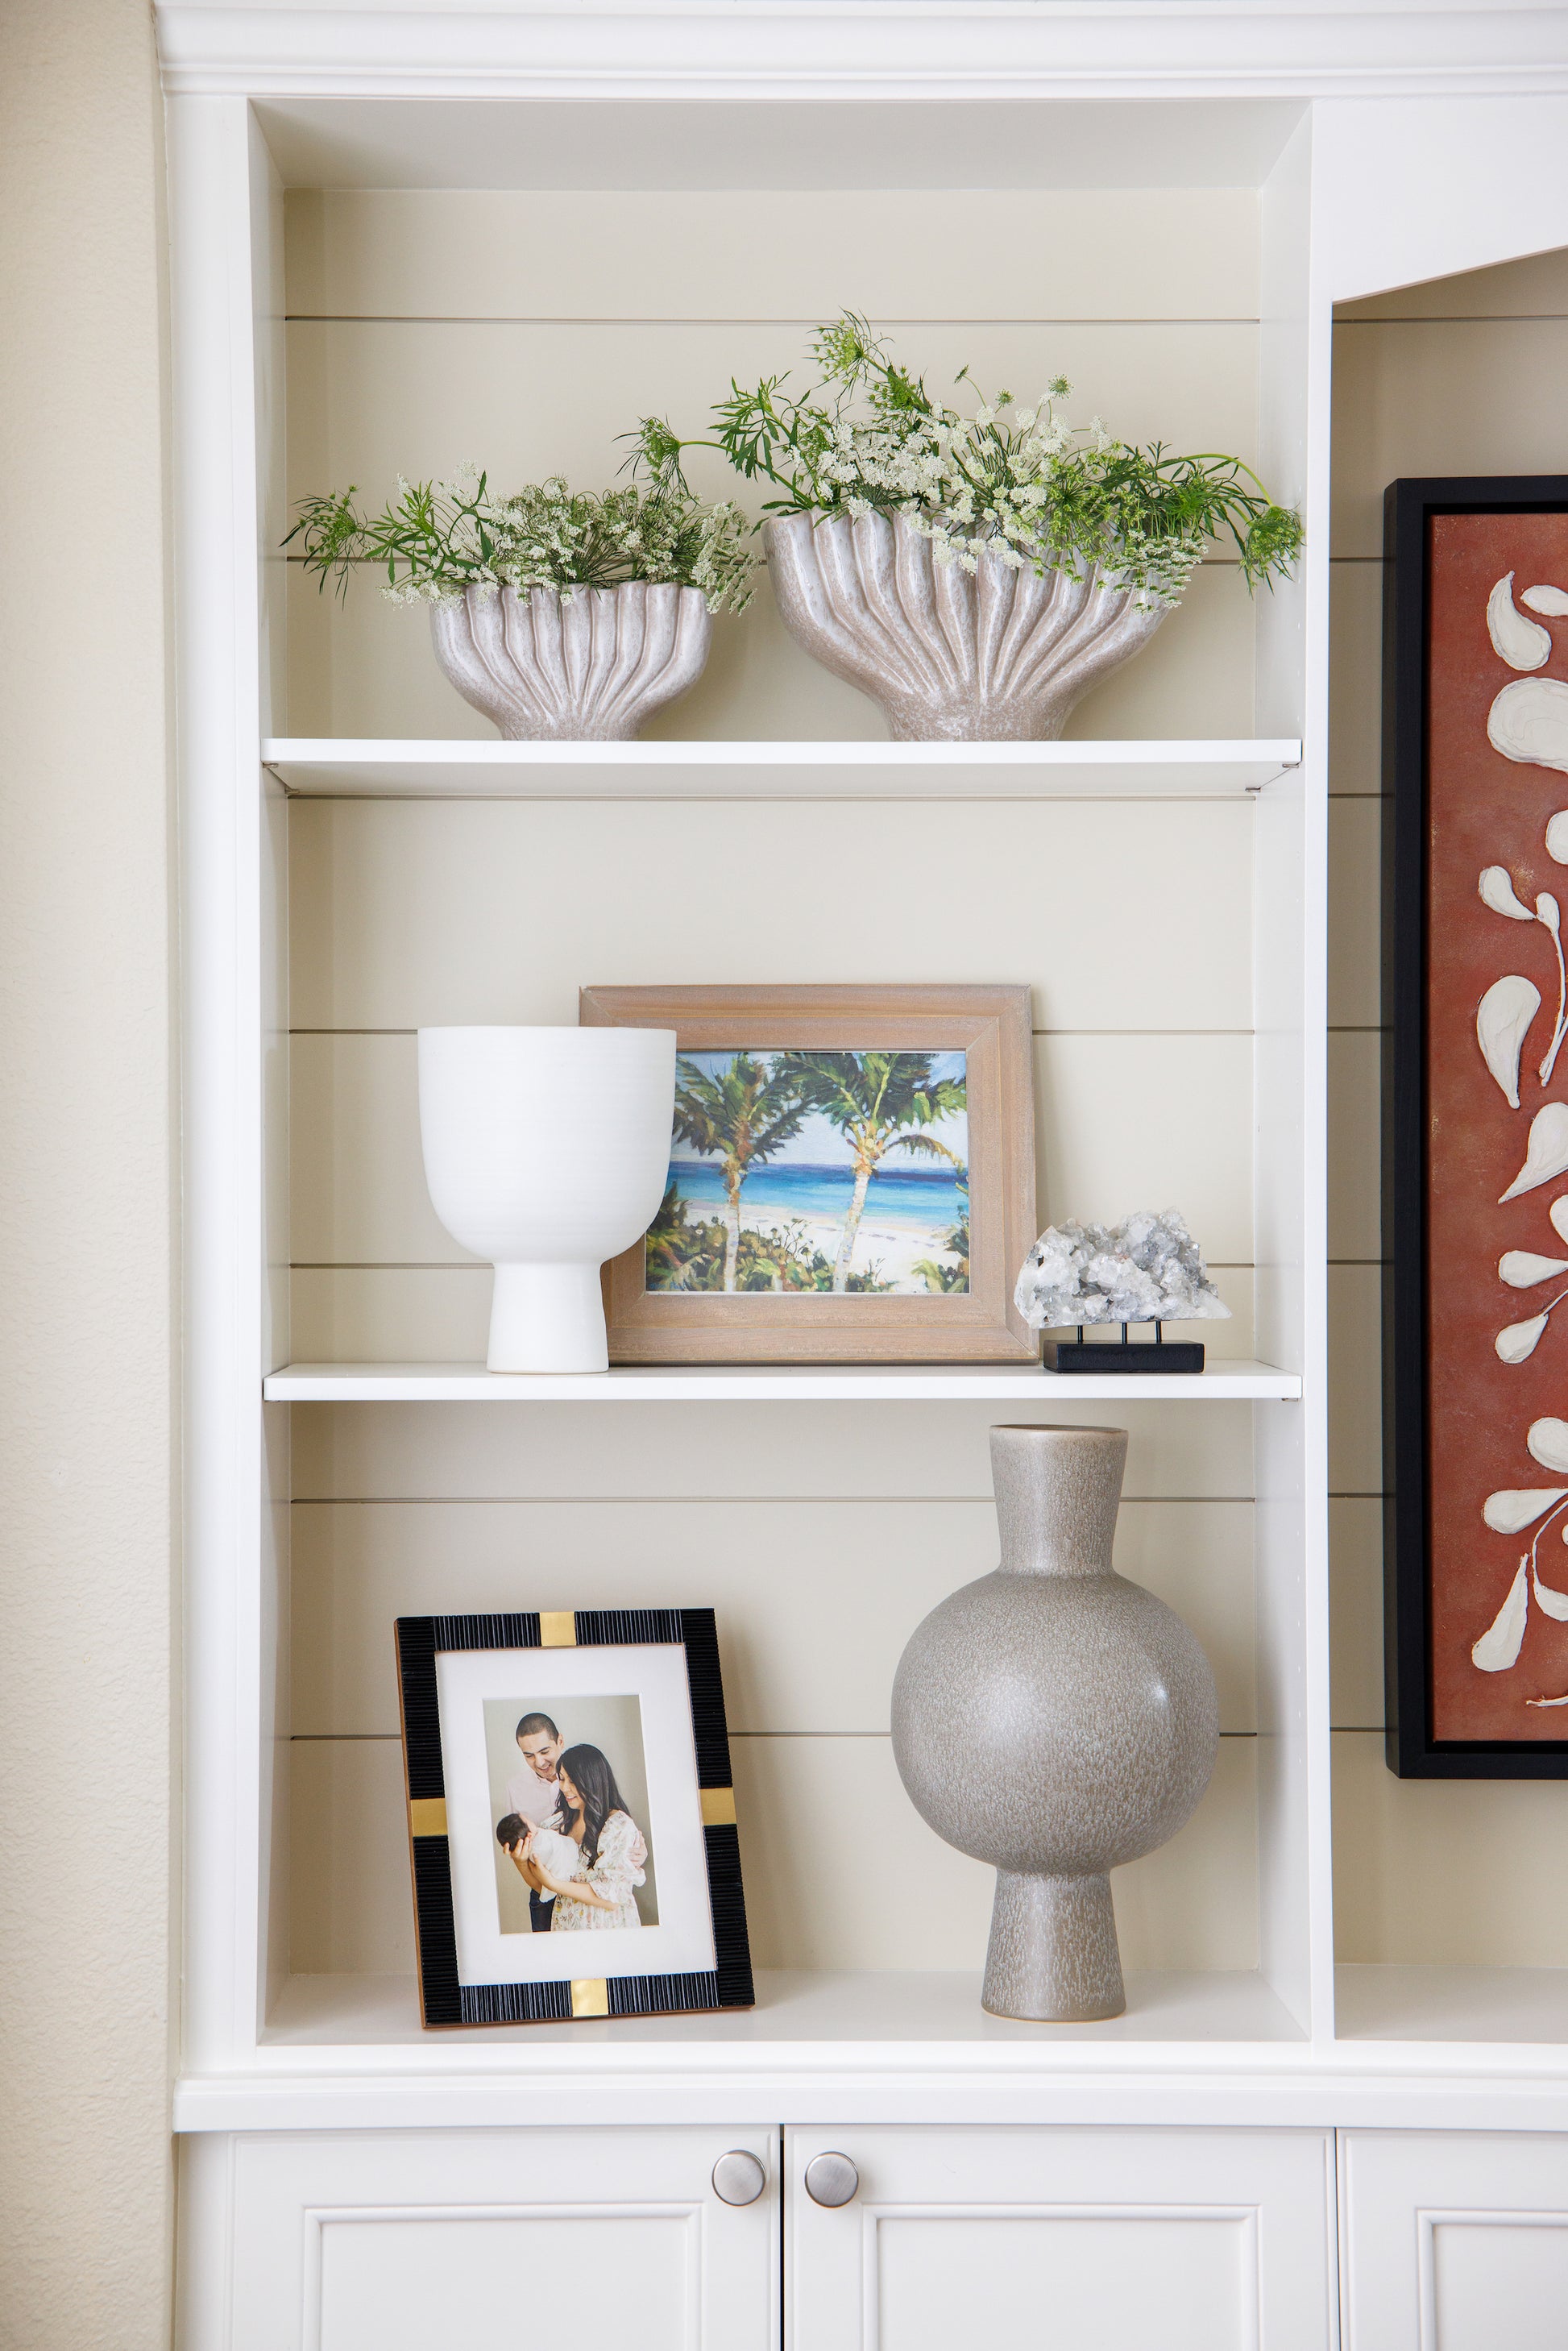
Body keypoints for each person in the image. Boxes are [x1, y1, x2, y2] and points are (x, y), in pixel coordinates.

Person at [525, 1742, 649, 1933]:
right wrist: (519, 1860)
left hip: (608, 1930)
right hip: (566, 1930)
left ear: (593, 1781)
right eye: (562, 1779)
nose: (565, 1788)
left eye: (573, 1781)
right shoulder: (556, 1824)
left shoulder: (617, 1825)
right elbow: (541, 1884)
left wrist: (554, 1884)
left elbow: (612, 1898)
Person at [503, 1709, 566, 1932]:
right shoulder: (515, 1788)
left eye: (544, 1751)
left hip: (584, 1884)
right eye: (529, 1755)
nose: (539, 1762)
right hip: (542, 1890)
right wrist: (519, 1859)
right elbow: (517, 1845)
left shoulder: (582, 1775)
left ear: (560, 1741)